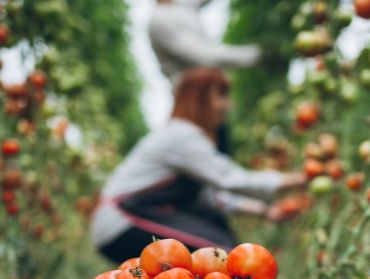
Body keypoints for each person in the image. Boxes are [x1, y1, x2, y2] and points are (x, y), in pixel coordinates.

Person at [90, 68, 305, 264]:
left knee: (222, 244)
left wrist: (265, 210)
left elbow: (209, 198)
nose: (228, 105)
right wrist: (295, 178)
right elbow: (229, 178)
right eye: (221, 96)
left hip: (136, 216)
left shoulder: (182, 135)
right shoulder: (182, 135)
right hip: (123, 221)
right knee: (223, 256)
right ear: (200, 99)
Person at [148, 0, 262, 154]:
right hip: (192, 103)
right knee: (200, 154)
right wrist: (258, 55)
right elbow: (202, 56)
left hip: (209, 100)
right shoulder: (159, 21)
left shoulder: (182, 6)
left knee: (214, 152)